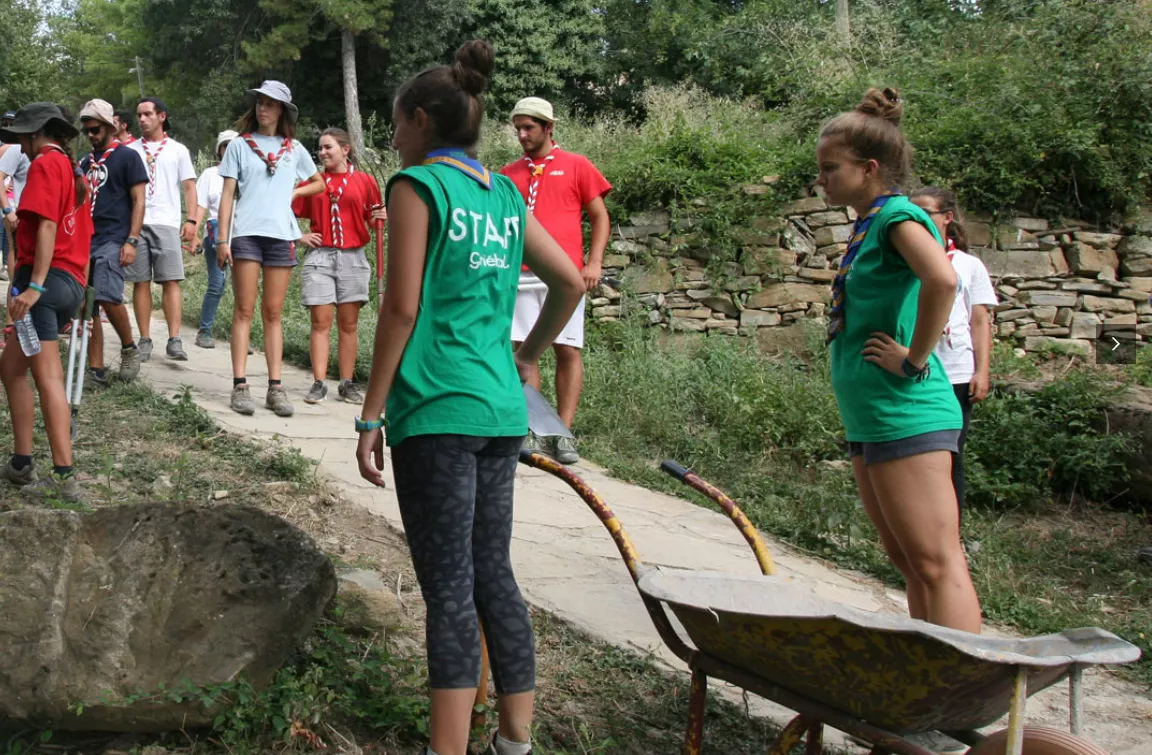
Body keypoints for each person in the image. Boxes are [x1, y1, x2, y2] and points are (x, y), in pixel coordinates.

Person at [355, 41, 584, 755]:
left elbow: (399, 309)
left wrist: (370, 412)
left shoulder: (415, 186)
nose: (392, 136)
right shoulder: (505, 192)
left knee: (449, 587)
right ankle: (515, 740)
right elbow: (571, 282)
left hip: (436, 409)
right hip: (498, 408)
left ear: (421, 120)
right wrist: (525, 355)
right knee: (494, 575)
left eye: (394, 121)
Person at [499, 96, 611, 465]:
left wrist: (593, 262)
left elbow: (599, 216)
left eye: (529, 127)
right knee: (523, 354)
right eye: (518, 128)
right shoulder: (508, 173)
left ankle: (563, 433)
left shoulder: (576, 165)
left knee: (567, 349)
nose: (522, 134)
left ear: (549, 127)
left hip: (563, 277)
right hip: (519, 276)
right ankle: (529, 428)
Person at [0, 103, 93, 502]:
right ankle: (22, 462)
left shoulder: (43, 165)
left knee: (48, 377)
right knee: (10, 368)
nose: (19, 143)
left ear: (34, 134)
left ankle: (63, 475)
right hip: (69, 281)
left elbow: (50, 226)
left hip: (45, 284)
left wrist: (33, 286)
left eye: (22, 135)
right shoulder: (71, 171)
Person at [216, 81, 323, 417]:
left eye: (271, 104)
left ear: (282, 111)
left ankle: (276, 388)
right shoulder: (238, 146)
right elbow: (227, 196)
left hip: (281, 235)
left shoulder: (293, 148)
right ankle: (240, 385)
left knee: (273, 313)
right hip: (246, 233)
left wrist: (292, 195)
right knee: (244, 309)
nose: (263, 108)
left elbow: (318, 181)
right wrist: (222, 238)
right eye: (260, 103)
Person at [911, 186, 997, 514]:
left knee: (952, 456)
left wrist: (982, 371)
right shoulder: (905, 258)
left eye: (926, 213)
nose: (918, 220)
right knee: (915, 454)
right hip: (915, 367)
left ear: (946, 218)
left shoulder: (968, 265)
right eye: (913, 213)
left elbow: (978, 320)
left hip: (956, 370)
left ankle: (952, 534)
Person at [293, 127, 385, 405]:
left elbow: (371, 220)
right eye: (320, 148)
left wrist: (381, 216)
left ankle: (347, 383)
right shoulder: (313, 182)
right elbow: (284, 206)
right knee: (320, 322)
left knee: (349, 324)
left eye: (328, 147)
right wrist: (299, 236)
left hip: (353, 257)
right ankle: (319, 382)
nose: (322, 153)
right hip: (320, 256)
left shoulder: (365, 181)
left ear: (345, 150)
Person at [77, 99, 148, 386]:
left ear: (110, 126)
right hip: (86, 239)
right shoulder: (85, 162)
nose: (91, 135)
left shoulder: (128, 157)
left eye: (95, 129)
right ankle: (96, 370)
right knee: (87, 304)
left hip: (114, 236)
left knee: (106, 294)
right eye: (87, 131)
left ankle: (129, 346)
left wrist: (131, 240)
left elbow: (139, 200)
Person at [124, 97, 197, 362]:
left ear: (162, 116)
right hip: (138, 222)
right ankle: (144, 338)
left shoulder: (177, 150)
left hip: (167, 222)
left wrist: (192, 220)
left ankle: (174, 339)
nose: (142, 119)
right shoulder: (130, 149)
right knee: (140, 281)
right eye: (139, 115)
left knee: (171, 280)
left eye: (147, 114)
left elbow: (189, 186)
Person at [191, 129, 238, 349]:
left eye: (233, 146)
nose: (228, 150)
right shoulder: (210, 175)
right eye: (225, 146)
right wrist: (195, 233)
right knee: (217, 283)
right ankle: (205, 330)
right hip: (215, 230)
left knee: (242, 286)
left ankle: (240, 334)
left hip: (241, 232)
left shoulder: (246, 175)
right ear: (219, 150)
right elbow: (201, 205)